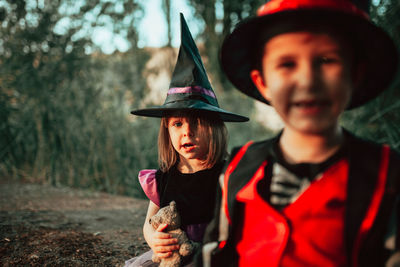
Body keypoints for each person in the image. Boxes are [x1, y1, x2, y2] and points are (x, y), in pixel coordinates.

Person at [200, 0, 400, 266]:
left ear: (356, 74)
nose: (307, 80)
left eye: (327, 60)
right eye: (287, 64)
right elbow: (215, 254)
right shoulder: (239, 169)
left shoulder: (387, 176)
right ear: (263, 83)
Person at [124, 13, 248, 267]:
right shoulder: (163, 178)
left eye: (198, 123)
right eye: (177, 124)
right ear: (167, 130)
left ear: (215, 128)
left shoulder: (227, 174)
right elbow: (149, 226)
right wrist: (154, 240)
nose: (187, 133)